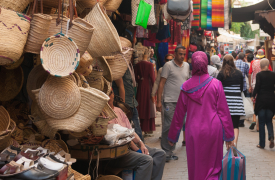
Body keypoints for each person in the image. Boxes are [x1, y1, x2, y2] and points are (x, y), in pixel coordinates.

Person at [168, 51, 234, 180]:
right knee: (214, 165)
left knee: (196, 164)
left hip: (193, 131)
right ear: (206, 64)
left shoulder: (185, 87)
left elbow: (179, 114)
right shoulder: (216, 84)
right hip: (214, 130)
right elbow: (223, 112)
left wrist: (172, 136)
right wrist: (229, 136)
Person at [107, 90, 166, 180]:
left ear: (113, 95)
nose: (109, 96)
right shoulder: (102, 114)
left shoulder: (119, 110)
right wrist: (137, 149)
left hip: (130, 146)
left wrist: (141, 144)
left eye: (111, 93)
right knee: (146, 160)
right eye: (106, 94)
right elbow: (120, 138)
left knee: (160, 154)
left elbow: (131, 131)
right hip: (119, 151)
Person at [156, 46, 189, 162]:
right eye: (180, 54)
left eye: (183, 54)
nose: (182, 56)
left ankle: (171, 150)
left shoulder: (187, 66)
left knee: (178, 127)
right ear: (174, 54)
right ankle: (165, 152)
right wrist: (159, 101)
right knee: (168, 126)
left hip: (182, 102)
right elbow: (161, 83)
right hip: (169, 101)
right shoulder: (168, 65)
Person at [217, 54, 245, 149]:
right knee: (235, 125)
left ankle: (228, 144)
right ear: (233, 61)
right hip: (236, 102)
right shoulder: (239, 73)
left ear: (224, 62)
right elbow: (241, 88)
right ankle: (234, 143)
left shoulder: (221, 73)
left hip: (225, 103)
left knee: (224, 124)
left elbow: (217, 89)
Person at [113, 68, 144, 141]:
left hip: (131, 103)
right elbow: (121, 86)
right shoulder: (117, 69)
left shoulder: (127, 67)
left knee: (136, 131)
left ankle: (141, 147)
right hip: (125, 105)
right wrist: (123, 106)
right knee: (129, 132)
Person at [252, 59, 275, 149]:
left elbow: (257, 86)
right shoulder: (273, 74)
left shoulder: (259, 75)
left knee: (261, 122)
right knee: (269, 120)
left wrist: (253, 96)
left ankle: (262, 144)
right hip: (271, 100)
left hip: (261, 100)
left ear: (261, 65)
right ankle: (271, 137)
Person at [248, 49, 272, 130]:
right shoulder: (266, 62)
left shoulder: (252, 62)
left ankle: (254, 119)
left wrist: (250, 85)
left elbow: (249, 73)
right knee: (260, 105)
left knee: (254, 103)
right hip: (263, 86)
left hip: (255, 84)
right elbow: (270, 73)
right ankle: (258, 126)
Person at [151, 54, 174, 139]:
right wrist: (153, 94)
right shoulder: (161, 70)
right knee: (164, 117)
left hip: (175, 97)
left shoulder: (176, 70)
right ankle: (165, 135)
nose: (168, 62)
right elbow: (157, 82)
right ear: (165, 61)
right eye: (167, 60)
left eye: (170, 60)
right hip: (164, 97)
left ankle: (172, 135)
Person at [134, 53, 156, 136]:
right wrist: (154, 92)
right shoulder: (150, 65)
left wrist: (140, 80)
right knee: (147, 106)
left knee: (141, 105)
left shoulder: (137, 64)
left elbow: (136, 77)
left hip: (140, 86)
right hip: (148, 87)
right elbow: (153, 78)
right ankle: (146, 128)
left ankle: (141, 127)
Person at [234, 52, 249, 127]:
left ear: (237, 57)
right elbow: (247, 75)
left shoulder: (233, 63)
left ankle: (235, 119)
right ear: (244, 58)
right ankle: (241, 121)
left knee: (236, 103)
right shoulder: (245, 64)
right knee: (242, 103)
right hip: (243, 87)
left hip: (234, 86)